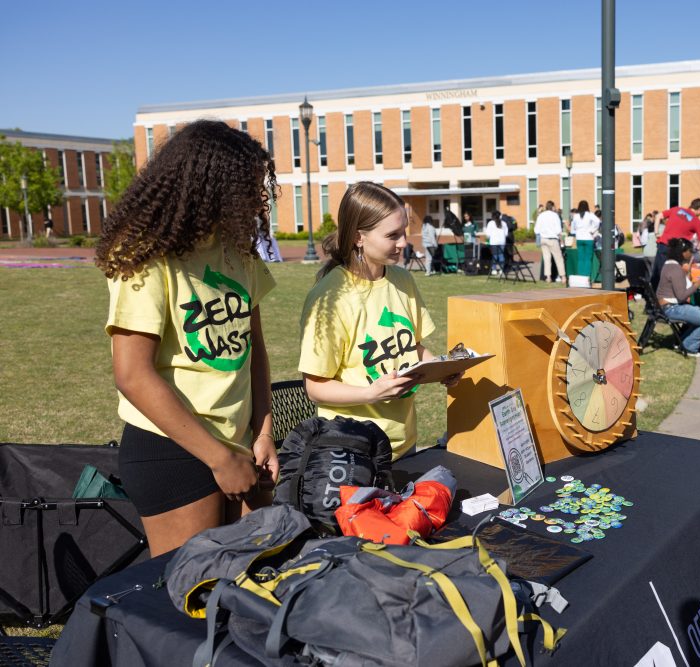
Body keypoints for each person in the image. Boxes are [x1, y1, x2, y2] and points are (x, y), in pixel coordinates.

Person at [94, 120, 278, 558]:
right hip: (174, 450)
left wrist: (264, 432)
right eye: (245, 188)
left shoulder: (238, 252)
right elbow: (133, 376)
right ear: (206, 185)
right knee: (188, 597)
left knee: (249, 583)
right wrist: (219, 458)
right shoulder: (143, 255)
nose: (257, 199)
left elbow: (255, 352)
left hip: (241, 446)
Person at [299, 182, 462, 462]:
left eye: (403, 232)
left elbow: (414, 346)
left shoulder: (403, 281)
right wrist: (371, 393)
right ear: (359, 237)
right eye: (392, 235)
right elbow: (315, 387)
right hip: (352, 450)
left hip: (403, 444)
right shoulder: (329, 298)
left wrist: (442, 368)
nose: (403, 243)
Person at [655, 238, 700, 355]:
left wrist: (687, 273)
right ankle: (689, 346)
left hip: (666, 307)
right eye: (690, 251)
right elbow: (682, 296)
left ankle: (683, 341)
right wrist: (698, 284)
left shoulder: (669, 265)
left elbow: (682, 286)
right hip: (672, 308)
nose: (691, 254)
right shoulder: (676, 269)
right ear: (683, 252)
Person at [653, 198, 700, 289]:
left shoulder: (677, 209)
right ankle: (665, 300)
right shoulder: (697, 222)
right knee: (670, 277)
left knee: (657, 274)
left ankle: (650, 299)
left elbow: (658, 216)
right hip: (675, 251)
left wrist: (657, 233)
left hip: (662, 245)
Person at [535, 200, 566, 284]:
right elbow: (558, 230)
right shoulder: (555, 215)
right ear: (552, 207)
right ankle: (563, 277)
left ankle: (548, 277)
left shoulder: (541, 215)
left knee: (546, 258)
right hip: (552, 239)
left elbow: (536, 229)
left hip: (543, 239)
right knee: (558, 258)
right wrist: (561, 240)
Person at [570, 201, 600, 278]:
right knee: (587, 259)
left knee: (580, 258)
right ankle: (587, 276)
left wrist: (577, 231)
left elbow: (573, 228)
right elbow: (598, 221)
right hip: (588, 238)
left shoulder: (576, 216)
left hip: (579, 238)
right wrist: (592, 230)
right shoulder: (590, 215)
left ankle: (580, 276)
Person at [484, 210, 508, 275]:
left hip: (493, 242)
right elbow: (506, 234)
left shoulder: (490, 223)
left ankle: (494, 269)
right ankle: (501, 269)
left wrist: (487, 239)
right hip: (502, 242)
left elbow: (488, 234)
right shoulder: (504, 223)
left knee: (494, 256)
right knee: (501, 255)